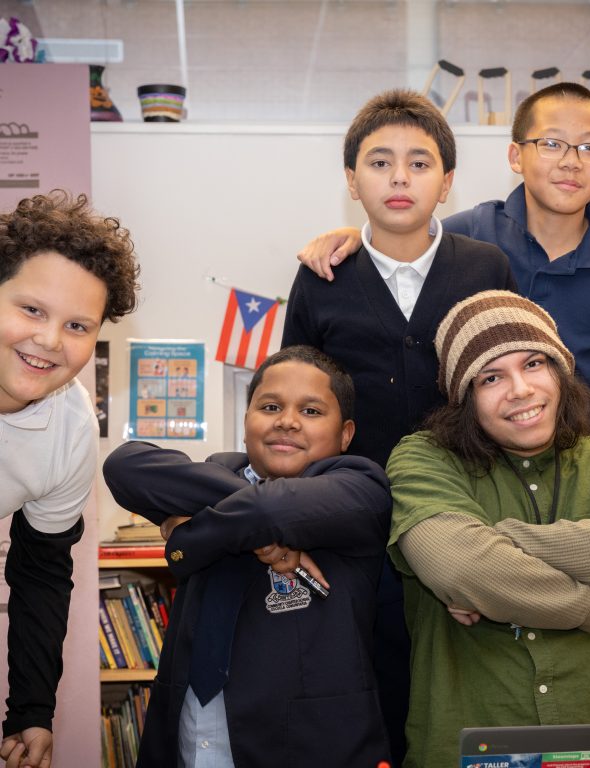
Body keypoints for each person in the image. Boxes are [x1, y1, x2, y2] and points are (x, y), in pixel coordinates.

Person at [281, 88, 515, 764]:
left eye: (420, 163)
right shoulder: (324, 275)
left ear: (446, 182)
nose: (400, 177)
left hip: (463, 506)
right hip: (352, 516)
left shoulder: (486, 268)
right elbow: (297, 398)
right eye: (380, 163)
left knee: (456, 677)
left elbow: (509, 386)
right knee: (363, 678)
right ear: (353, 183)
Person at [295, 82, 590, 463]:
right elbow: (409, 232)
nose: (570, 160)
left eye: (589, 147)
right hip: (475, 458)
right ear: (516, 156)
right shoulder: (475, 237)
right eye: (551, 143)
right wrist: (355, 240)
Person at [386, 290, 590, 768]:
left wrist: (494, 543)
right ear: (464, 396)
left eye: (534, 364)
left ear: (560, 372)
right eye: (491, 377)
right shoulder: (423, 458)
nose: (520, 389)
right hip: (469, 739)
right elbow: (462, 566)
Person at [102, 346, 392, 768]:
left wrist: (193, 527)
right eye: (270, 406)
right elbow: (123, 466)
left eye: (311, 411)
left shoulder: (360, 489)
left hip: (308, 745)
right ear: (246, 421)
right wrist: (253, 516)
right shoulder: (219, 473)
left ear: (345, 434)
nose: (287, 420)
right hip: (188, 734)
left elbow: (269, 510)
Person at [0, 191, 139, 768]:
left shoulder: (72, 426)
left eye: (78, 325)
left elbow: (41, 571)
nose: (51, 340)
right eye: (32, 310)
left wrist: (32, 709)